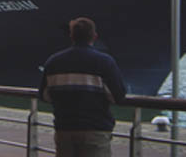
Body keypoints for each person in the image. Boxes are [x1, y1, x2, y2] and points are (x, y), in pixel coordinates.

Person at [39, 17, 127, 157]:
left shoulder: (53, 62)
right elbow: (118, 96)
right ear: (94, 36)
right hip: (94, 128)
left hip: (64, 128)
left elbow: (44, 95)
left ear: (71, 36)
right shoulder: (104, 62)